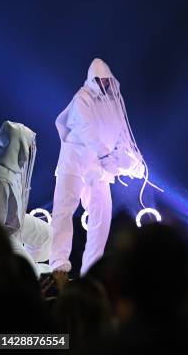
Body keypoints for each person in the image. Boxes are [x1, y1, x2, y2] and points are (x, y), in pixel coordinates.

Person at [50, 58, 146, 276]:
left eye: (106, 79)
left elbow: (122, 137)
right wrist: (105, 155)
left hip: (98, 169)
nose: (103, 83)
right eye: (99, 79)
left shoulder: (115, 103)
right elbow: (85, 128)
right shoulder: (81, 98)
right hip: (74, 162)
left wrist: (132, 163)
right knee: (63, 211)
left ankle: (91, 270)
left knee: (101, 217)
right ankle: (58, 264)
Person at [0, 121, 52, 278]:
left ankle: (21, 268)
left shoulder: (15, 169)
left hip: (14, 222)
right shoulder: (0, 178)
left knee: (47, 235)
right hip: (3, 233)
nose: (30, 149)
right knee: (31, 272)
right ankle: (21, 272)